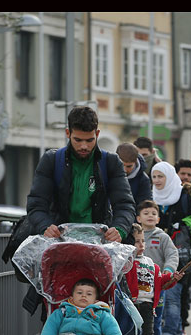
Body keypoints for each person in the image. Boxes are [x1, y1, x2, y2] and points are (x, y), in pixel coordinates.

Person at [23, 105, 136, 318]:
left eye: (89, 140)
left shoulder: (110, 162)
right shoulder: (51, 160)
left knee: (104, 303)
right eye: (78, 140)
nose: (84, 146)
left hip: (99, 248)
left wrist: (120, 229)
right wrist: (45, 226)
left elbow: (125, 204)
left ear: (97, 135)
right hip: (60, 247)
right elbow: (36, 204)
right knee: (55, 304)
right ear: (68, 134)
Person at [119, 224, 184, 335]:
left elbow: (160, 283)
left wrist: (172, 279)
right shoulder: (125, 263)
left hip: (147, 306)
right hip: (129, 306)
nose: (141, 245)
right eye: (136, 242)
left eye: (142, 241)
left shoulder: (151, 264)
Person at [151, 161, 191, 335]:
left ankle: (170, 333)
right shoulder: (150, 196)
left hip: (179, 253)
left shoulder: (182, 196)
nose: (157, 181)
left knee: (173, 295)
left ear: (169, 177)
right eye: (154, 177)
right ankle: (172, 331)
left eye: (160, 177)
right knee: (159, 296)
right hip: (154, 253)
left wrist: (180, 226)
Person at [136, 199, 179, 335]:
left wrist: (168, 271)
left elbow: (172, 255)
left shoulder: (162, 237)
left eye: (154, 213)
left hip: (157, 284)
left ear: (158, 219)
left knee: (156, 316)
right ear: (138, 218)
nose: (150, 216)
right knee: (137, 316)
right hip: (136, 285)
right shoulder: (134, 236)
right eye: (146, 213)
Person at [174, 158, 191, 335]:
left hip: (185, 250)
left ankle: (181, 324)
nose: (185, 177)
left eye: (189, 175)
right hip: (165, 247)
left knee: (184, 289)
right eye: (182, 173)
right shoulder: (169, 193)